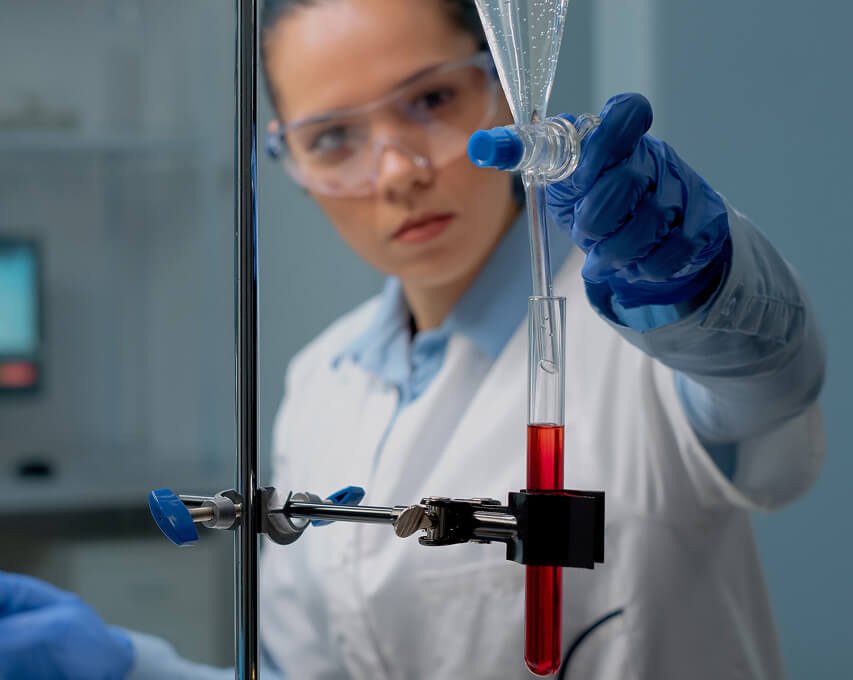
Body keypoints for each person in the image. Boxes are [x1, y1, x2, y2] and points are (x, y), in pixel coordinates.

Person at [0, 0, 826, 678]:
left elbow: (770, 389)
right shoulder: (319, 379)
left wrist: (703, 285)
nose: (397, 171)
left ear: (503, 92)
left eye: (431, 100)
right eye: (333, 139)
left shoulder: (642, 319)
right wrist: (128, 670)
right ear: (286, 163)